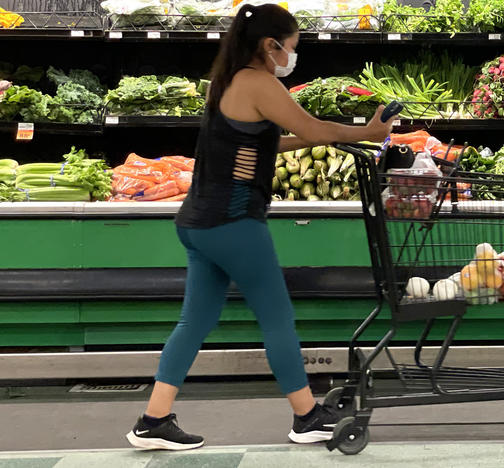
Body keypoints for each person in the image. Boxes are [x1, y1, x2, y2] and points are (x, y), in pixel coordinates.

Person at [125, 3, 396, 451]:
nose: (293, 56)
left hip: (198, 222)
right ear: (271, 46)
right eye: (291, 48)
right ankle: (306, 416)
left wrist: (341, 135)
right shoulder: (258, 82)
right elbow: (309, 127)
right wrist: (366, 133)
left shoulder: (229, 80)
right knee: (277, 317)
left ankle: (152, 420)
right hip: (232, 224)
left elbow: (272, 139)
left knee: (195, 321)